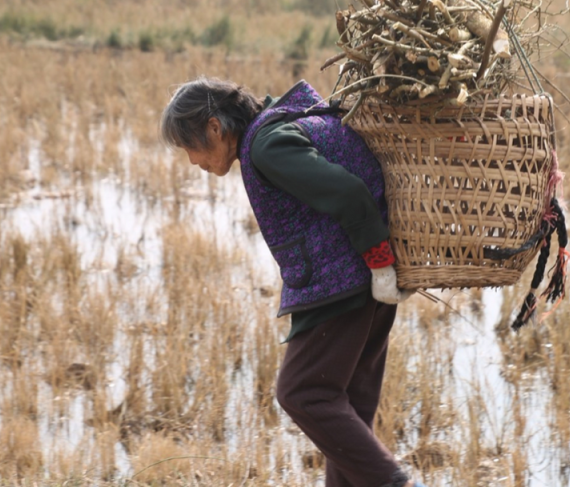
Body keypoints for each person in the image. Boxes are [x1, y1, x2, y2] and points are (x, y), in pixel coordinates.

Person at [161, 77, 428, 487]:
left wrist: (378, 263)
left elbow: (349, 193)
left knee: (303, 392)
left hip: (344, 283)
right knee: (348, 411)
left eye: (190, 147)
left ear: (215, 127)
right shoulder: (286, 122)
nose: (193, 160)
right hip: (370, 283)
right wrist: (381, 269)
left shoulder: (266, 146)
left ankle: (396, 483)